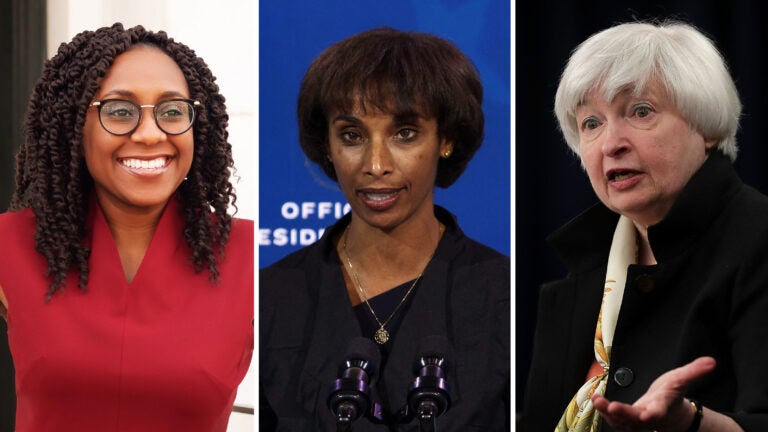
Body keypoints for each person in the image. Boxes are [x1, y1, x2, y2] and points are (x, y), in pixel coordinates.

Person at [0, 23, 253, 431]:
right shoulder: (9, 244)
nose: (151, 134)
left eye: (172, 111)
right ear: (73, 124)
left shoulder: (251, 258)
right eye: (120, 111)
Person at [259, 27, 510, 431]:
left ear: (445, 139)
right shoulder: (270, 297)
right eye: (352, 135)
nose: (376, 164)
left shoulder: (505, 293)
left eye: (404, 134)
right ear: (327, 144)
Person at [523, 21, 768, 432]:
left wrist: (693, 424)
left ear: (704, 126)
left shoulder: (758, 238)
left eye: (640, 111)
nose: (610, 144)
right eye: (591, 123)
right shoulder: (581, 272)